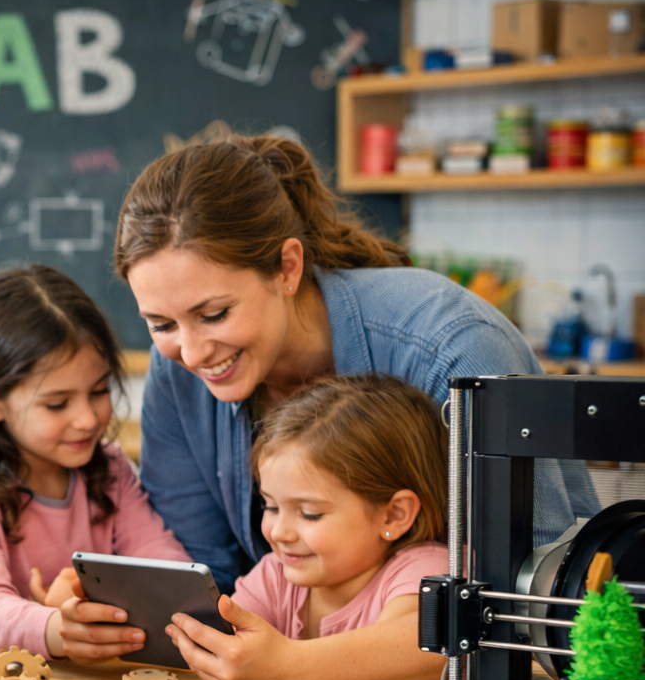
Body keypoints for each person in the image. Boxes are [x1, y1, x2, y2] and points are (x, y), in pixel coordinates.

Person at [117, 137, 597, 592]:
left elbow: (523, 589)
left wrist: (294, 665)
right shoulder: (179, 369)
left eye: (214, 314)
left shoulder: (450, 347)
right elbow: (202, 577)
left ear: (287, 267)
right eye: (161, 325)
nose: (193, 351)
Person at [0, 264, 189, 665]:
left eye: (98, 391)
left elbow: (160, 561)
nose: (88, 419)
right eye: (57, 403)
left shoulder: (110, 470)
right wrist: (56, 627)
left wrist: (185, 600)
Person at [167, 374, 449, 680]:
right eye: (270, 506)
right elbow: (233, 650)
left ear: (394, 514)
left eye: (309, 513)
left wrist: (285, 666)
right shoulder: (276, 575)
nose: (279, 532)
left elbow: (427, 643)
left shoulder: (424, 569)